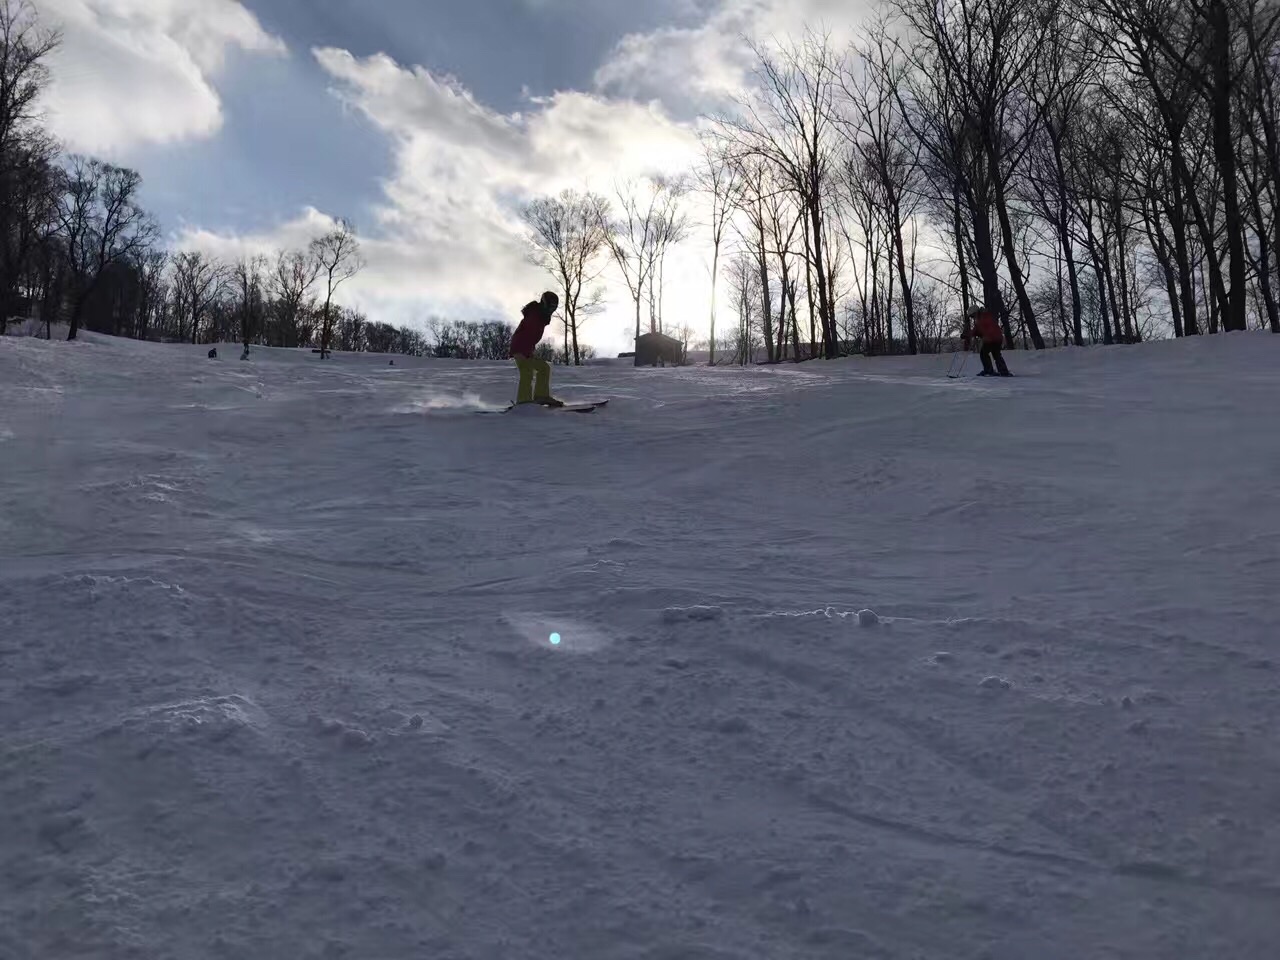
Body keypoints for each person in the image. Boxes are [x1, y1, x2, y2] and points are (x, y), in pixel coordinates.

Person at [510, 291, 563, 406]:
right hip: (519, 347)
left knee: (544, 368)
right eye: (550, 306)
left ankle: (541, 396)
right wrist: (525, 352)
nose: (551, 309)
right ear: (544, 303)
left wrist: (530, 351)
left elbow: (532, 337)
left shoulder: (541, 316)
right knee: (527, 371)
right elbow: (526, 335)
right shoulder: (535, 315)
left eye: (554, 307)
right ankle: (523, 401)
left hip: (526, 348)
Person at [962, 304, 1011, 377]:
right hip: (997, 338)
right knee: (996, 354)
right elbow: (977, 330)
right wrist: (967, 335)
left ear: (975, 312)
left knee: (984, 353)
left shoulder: (983, 316)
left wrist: (981, 334)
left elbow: (985, 329)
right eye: (972, 316)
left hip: (992, 338)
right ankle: (1003, 371)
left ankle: (989, 370)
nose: (972, 317)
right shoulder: (982, 316)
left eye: (972, 315)